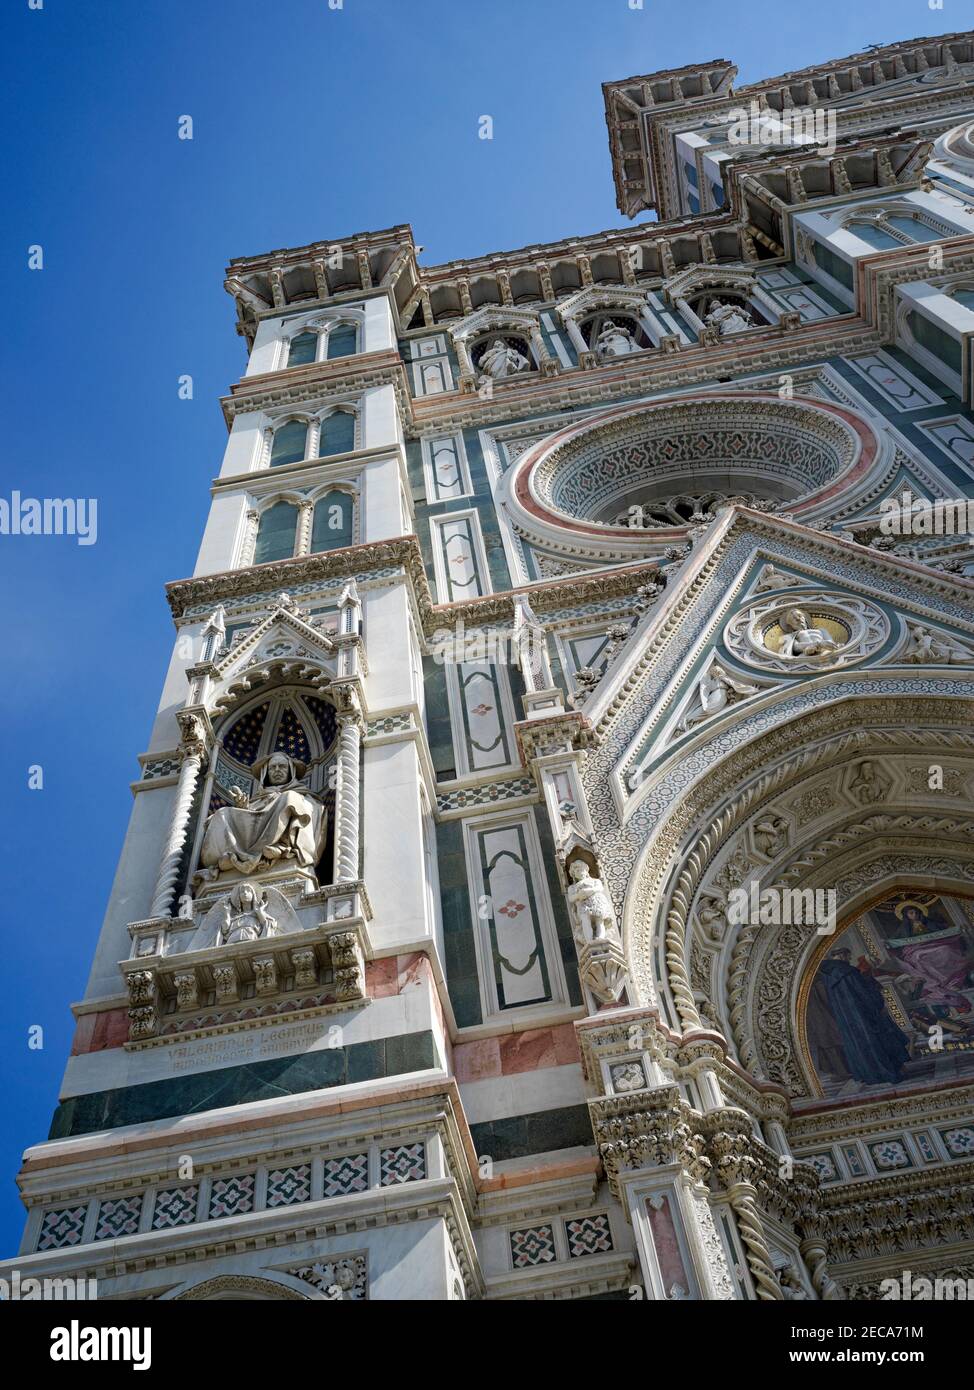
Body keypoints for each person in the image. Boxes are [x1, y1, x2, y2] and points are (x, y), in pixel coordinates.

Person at [198, 751, 326, 879]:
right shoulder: (259, 797)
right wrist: (243, 808)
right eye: (272, 767)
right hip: (254, 835)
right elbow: (253, 819)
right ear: (266, 772)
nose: (277, 770)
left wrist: (291, 799)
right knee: (222, 813)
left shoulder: (299, 795)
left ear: (291, 771)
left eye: (282, 766)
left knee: (290, 798)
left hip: (281, 832)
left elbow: (315, 809)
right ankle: (235, 857)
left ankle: (283, 849)